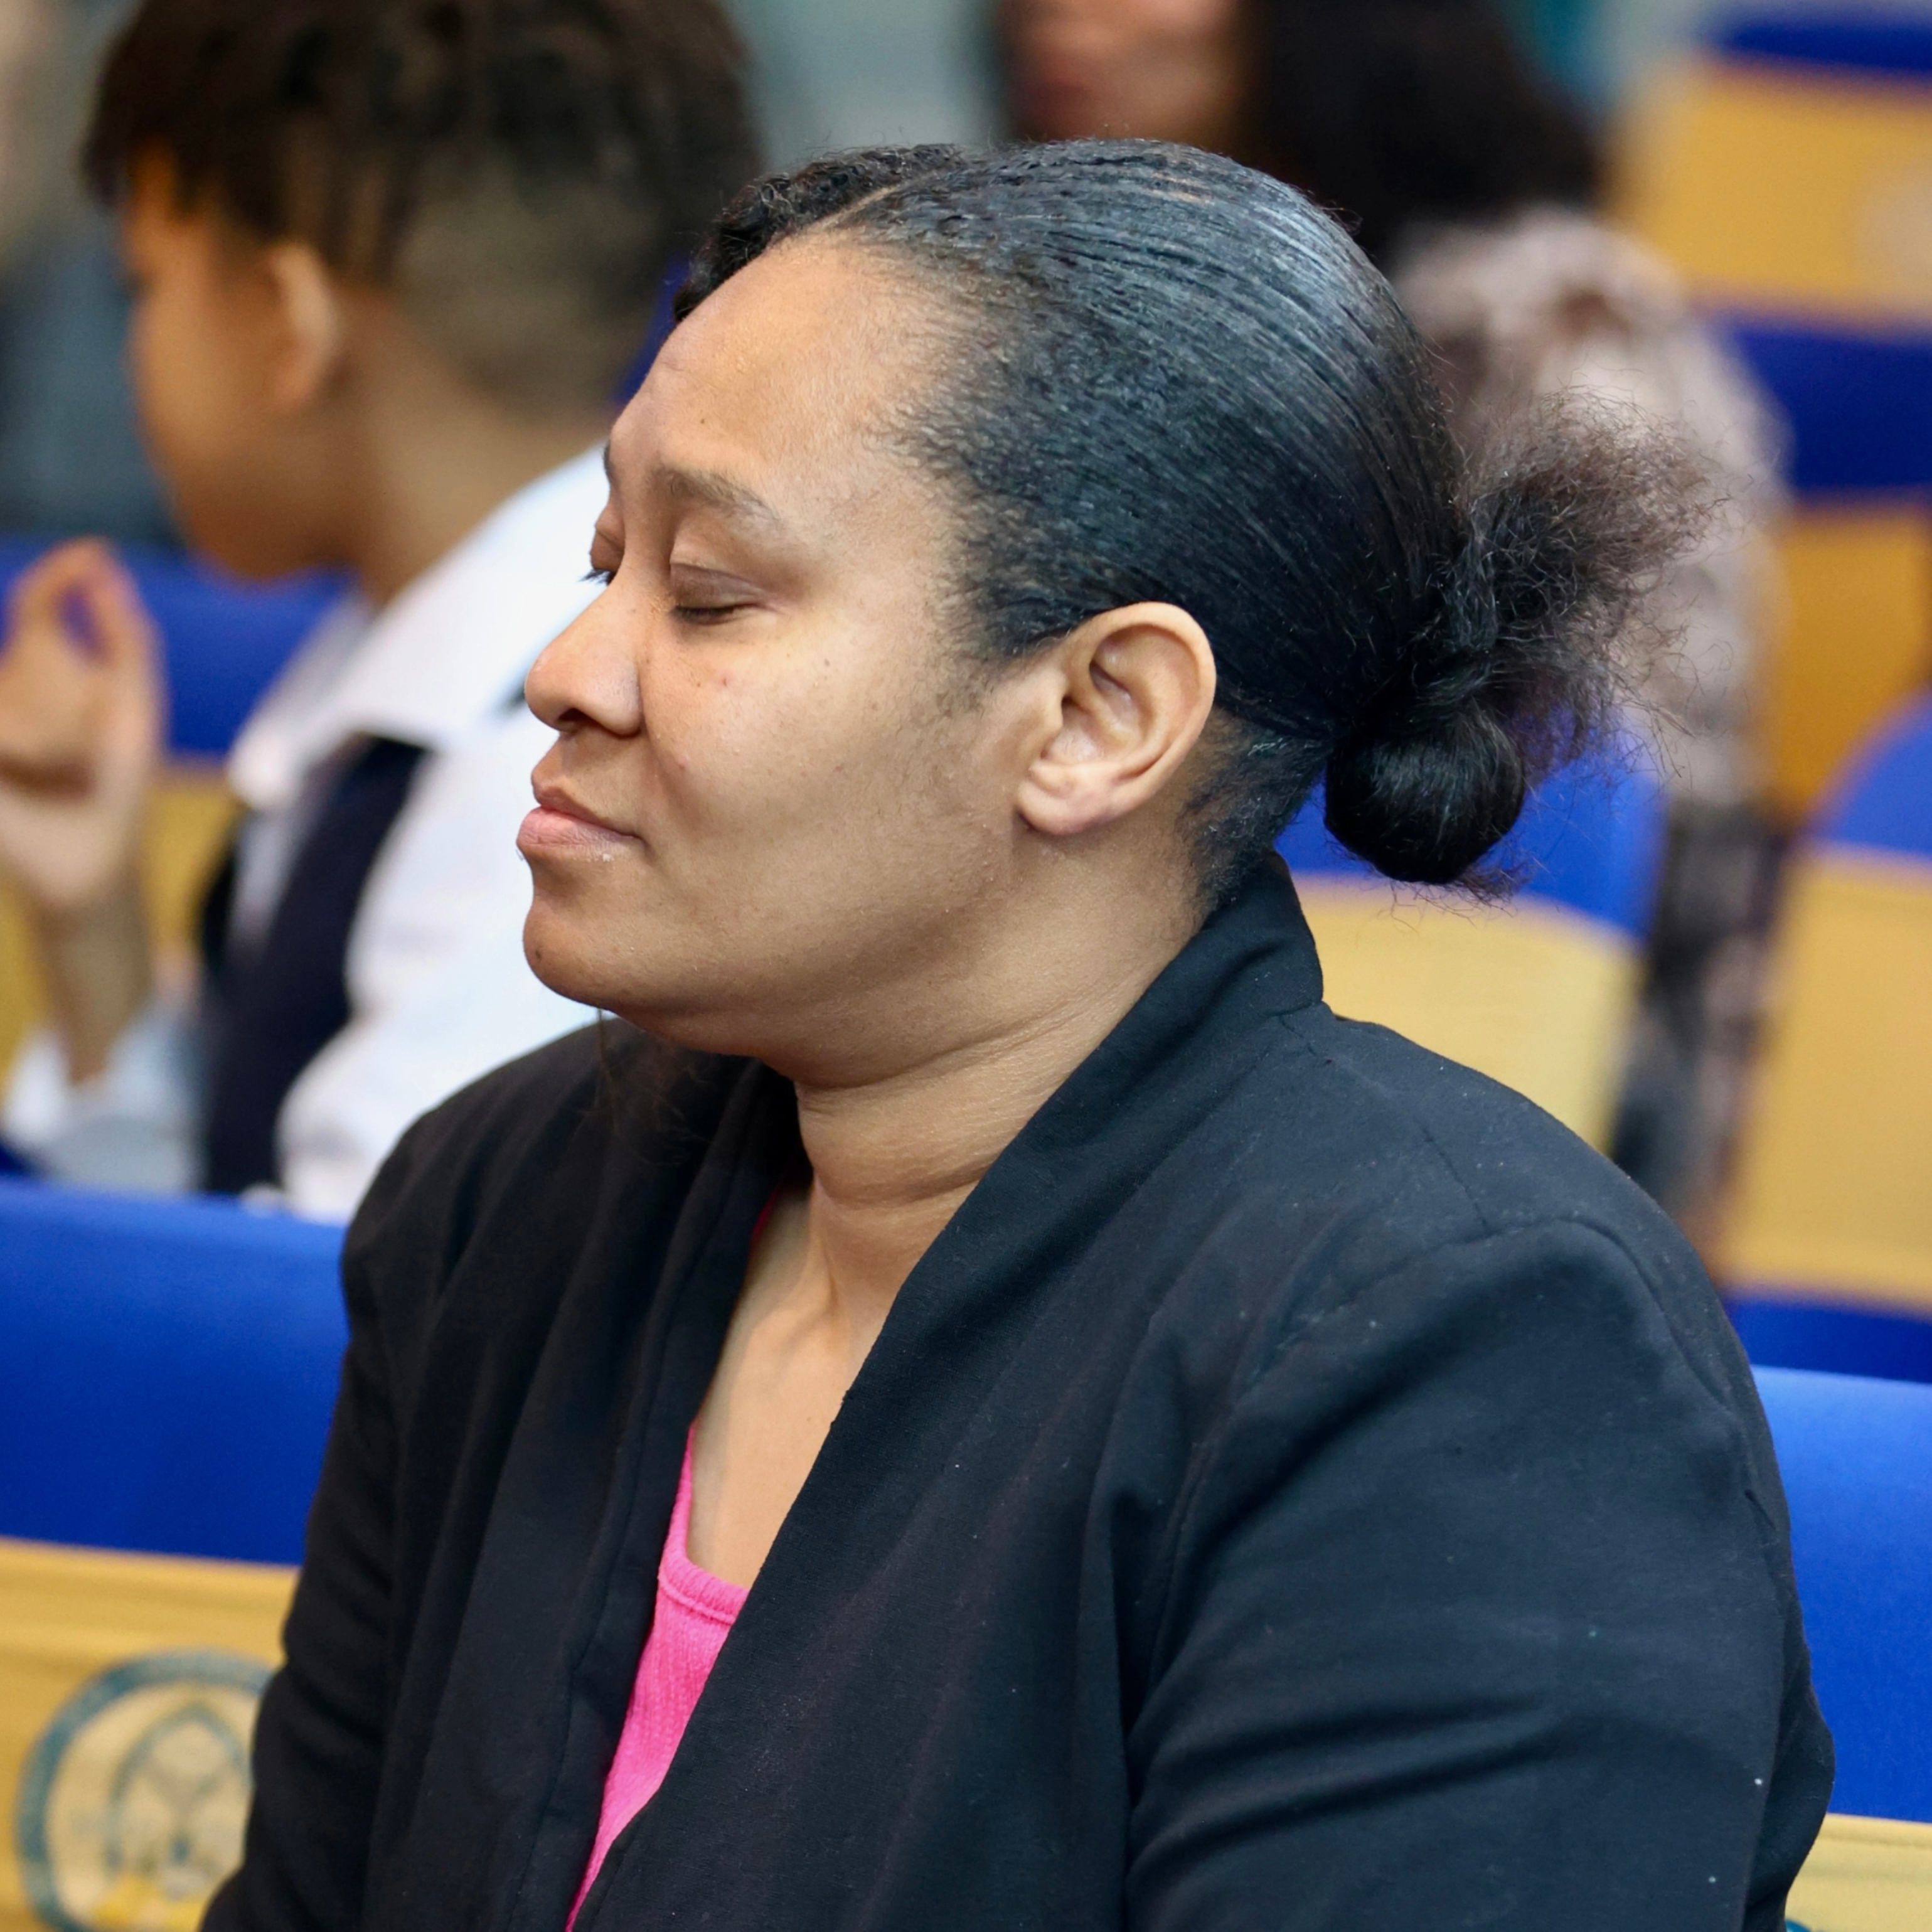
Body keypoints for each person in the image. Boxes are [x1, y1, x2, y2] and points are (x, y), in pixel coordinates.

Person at [215, 142, 1830, 1931]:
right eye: (610, 560)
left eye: (712, 592)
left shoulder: (1469, 1358)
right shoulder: (501, 1204)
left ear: (1096, 717)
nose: (571, 669)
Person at [999, 0, 1788, 1223]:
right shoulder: (1048, 295)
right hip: (1101, 1008)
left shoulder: (1551, 336)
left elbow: (1633, 811)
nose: (1065, 20)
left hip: (1476, 1058)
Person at [0, 0, 757, 1218]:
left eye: (144, 285)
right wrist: (91, 918)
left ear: (281, 327)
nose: (134, 345)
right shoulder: (395, 668)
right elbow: (202, 1194)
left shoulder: (546, 782)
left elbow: (314, 1334)